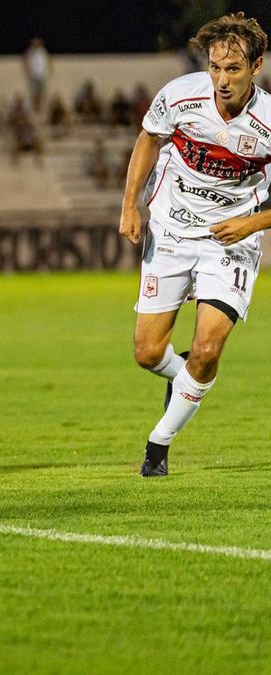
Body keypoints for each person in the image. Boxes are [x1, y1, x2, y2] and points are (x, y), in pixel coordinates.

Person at [118, 13, 270, 477]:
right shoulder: (181, 95)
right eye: (216, 68)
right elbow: (149, 138)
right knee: (147, 353)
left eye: (234, 69)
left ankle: (157, 446)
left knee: (207, 350)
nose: (222, 80)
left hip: (232, 243)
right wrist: (130, 205)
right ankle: (186, 377)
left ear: (257, 67)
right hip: (171, 227)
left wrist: (253, 223)